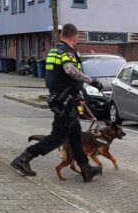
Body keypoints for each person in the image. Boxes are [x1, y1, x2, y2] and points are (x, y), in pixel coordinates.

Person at [10, 23, 103, 181]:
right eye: (77, 38)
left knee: (75, 137)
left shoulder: (54, 50)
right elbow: (70, 70)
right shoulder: (66, 51)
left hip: (62, 100)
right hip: (65, 102)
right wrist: (91, 81)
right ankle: (23, 158)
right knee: (57, 138)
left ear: (61, 35)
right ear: (75, 37)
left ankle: (86, 168)